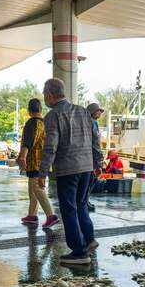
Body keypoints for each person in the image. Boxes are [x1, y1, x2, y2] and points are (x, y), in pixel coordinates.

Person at [38, 78, 99, 265]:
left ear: (49, 95)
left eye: (44, 95)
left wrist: (42, 172)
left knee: (69, 209)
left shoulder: (52, 116)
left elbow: (51, 147)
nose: (44, 98)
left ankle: (79, 252)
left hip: (68, 169)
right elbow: (95, 139)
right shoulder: (82, 111)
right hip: (87, 167)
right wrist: (97, 162)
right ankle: (89, 239)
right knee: (81, 204)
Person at [18, 98, 59, 228]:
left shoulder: (32, 123)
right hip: (45, 160)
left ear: (29, 111)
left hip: (35, 161)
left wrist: (22, 157)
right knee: (32, 188)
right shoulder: (45, 123)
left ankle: (51, 215)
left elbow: (28, 142)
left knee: (37, 188)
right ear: (40, 109)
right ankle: (32, 215)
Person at [86, 103, 105, 212]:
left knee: (92, 179)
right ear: (93, 111)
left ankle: (86, 200)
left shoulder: (95, 123)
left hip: (95, 156)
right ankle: (84, 201)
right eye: (98, 111)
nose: (100, 113)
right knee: (90, 179)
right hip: (91, 156)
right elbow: (93, 142)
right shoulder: (90, 123)